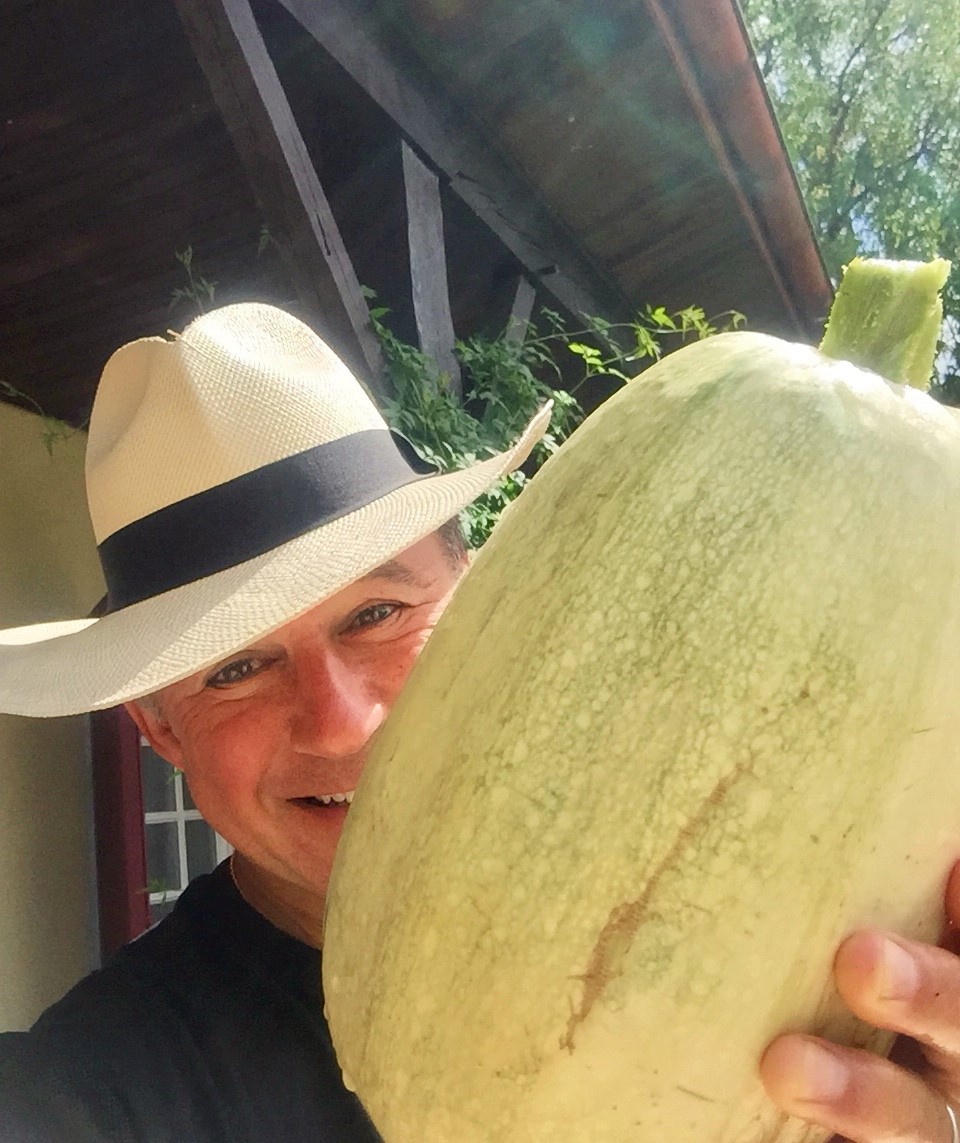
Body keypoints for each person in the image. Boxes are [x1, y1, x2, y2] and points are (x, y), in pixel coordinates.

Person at [0, 302, 958, 1143]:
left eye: (376, 614)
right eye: (236, 667)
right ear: (160, 729)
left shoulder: (790, 907)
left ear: (474, 592)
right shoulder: (93, 1088)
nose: (340, 721)